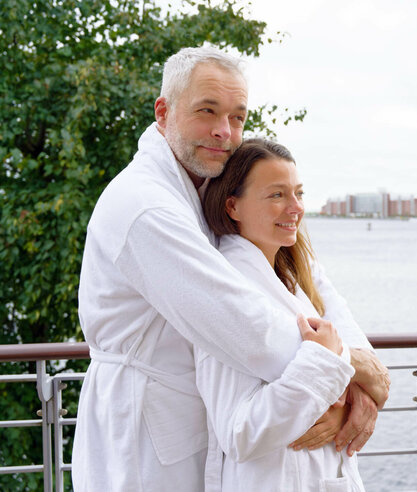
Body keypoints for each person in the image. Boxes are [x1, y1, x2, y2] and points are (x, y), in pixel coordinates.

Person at [72, 46, 389, 492]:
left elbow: (315, 282)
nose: (224, 131)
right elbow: (245, 326)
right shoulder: (146, 207)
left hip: (205, 429)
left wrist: (362, 371)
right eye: (207, 111)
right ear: (163, 112)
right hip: (145, 436)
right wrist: (352, 370)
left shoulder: (209, 185)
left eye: (238, 117)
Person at [197, 139, 364, 491]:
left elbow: (347, 347)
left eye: (298, 193)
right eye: (277, 195)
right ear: (233, 206)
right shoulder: (229, 293)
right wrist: (322, 366)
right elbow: (240, 433)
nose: (296, 208)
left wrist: (347, 399)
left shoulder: (290, 278)